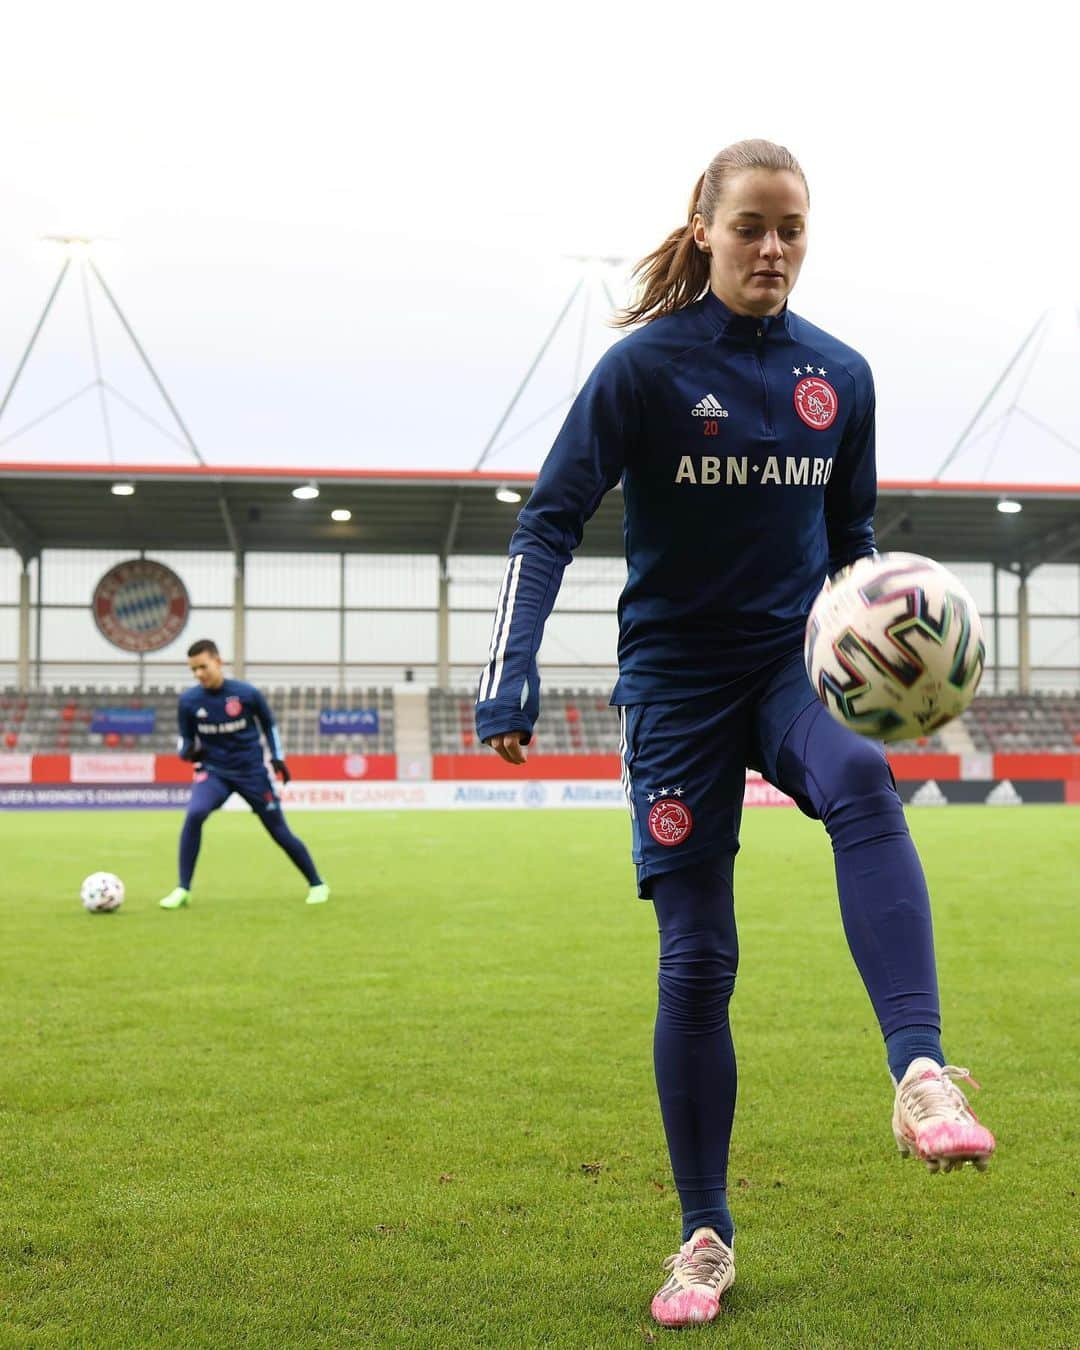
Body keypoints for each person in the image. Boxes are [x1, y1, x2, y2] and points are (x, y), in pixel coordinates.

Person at [475, 139, 995, 1328]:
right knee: (700, 954)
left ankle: (919, 1073)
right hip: (673, 686)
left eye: (793, 229)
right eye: (752, 226)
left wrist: (895, 650)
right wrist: (509, 675)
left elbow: (853, 548)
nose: (773, 249)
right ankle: (703, 1233)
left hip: (785, 665)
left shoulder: (841, 376)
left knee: (862, 776)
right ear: (704, 227)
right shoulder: (643, 370)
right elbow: (548, 520)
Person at [158, 639, 329, 909]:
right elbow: (184, 740)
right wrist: (187, 751)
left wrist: (277, 758)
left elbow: (269, 726)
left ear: (218, 661)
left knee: (278, 830)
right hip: (214, 773)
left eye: (203, 667)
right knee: (195, 814)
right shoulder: (189, 701)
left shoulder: (247, 694)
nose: (199, 674)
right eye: (193, 670)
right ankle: (183, 889)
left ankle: (317, 883)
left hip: (251, 773)